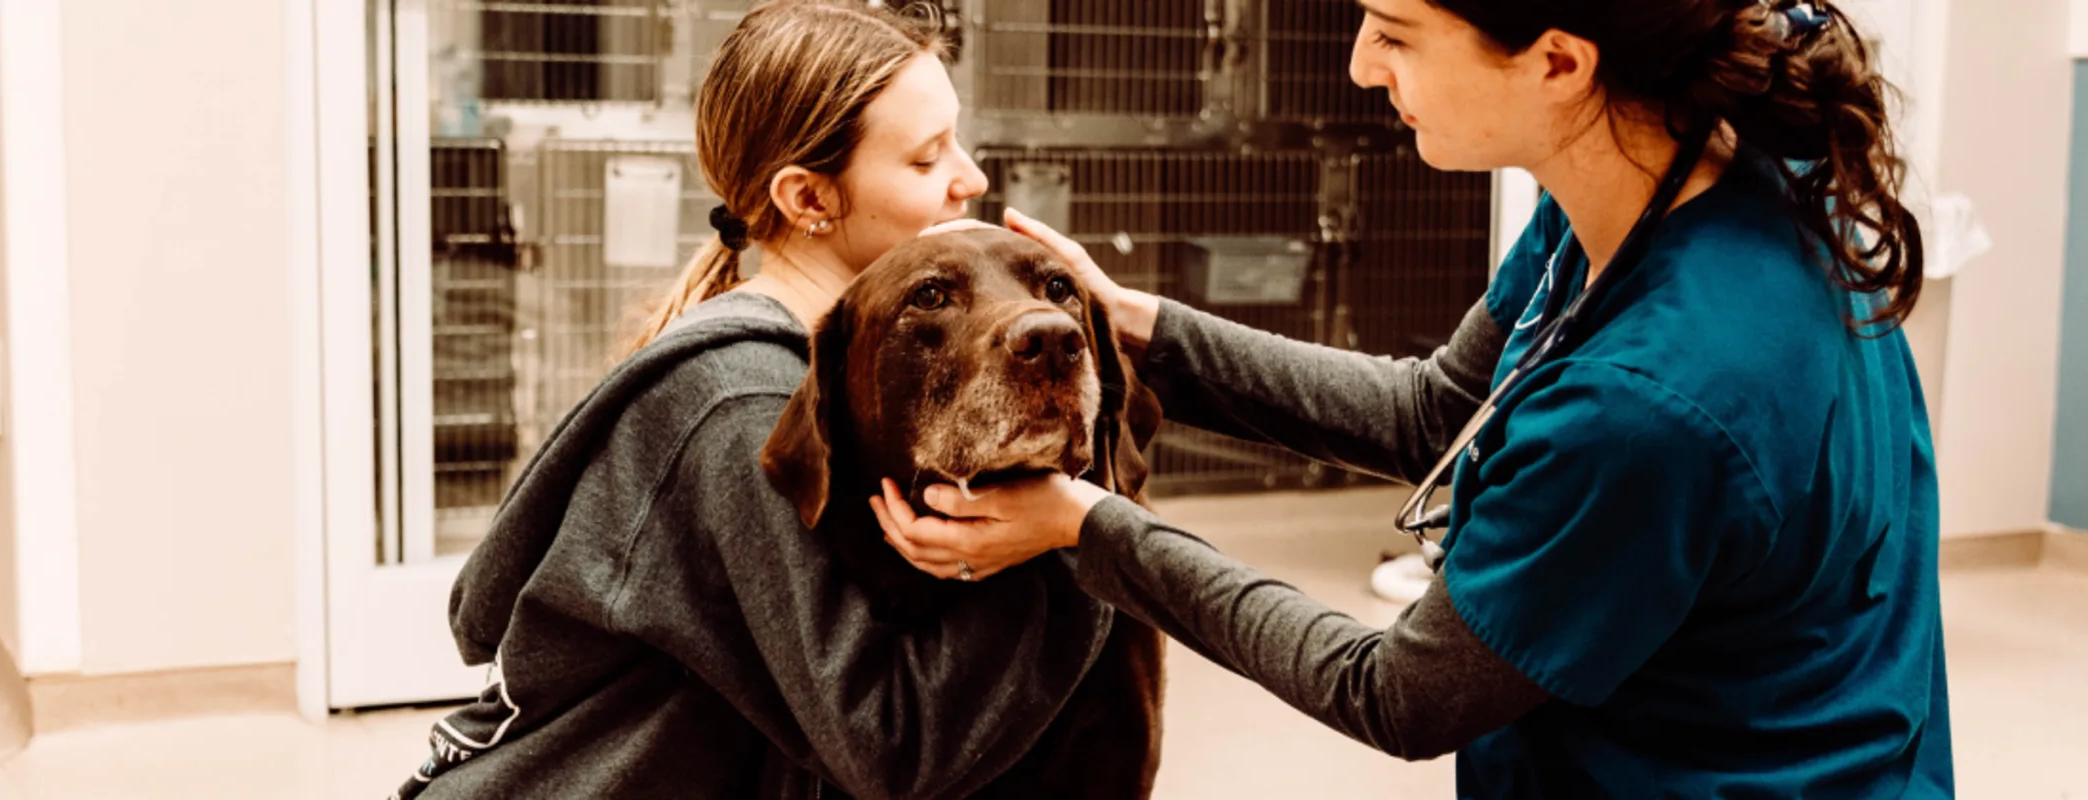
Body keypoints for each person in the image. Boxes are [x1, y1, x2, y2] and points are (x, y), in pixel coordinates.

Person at [873, 0, 1953, 796]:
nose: (1356, 64)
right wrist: (1134, 325)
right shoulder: (1672, 177)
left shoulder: (1650, 404)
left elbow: (1400, 691)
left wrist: (1089, 527)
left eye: (1393, 31)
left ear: (1558, 62)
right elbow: (1434, 410)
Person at [387, 3, 1124, 798]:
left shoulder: (835, 372)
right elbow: (891, 745)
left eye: (958, 139)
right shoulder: (743, 403)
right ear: (808, 199)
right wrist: (1075, 539)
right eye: (924, 158)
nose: (970, 178)